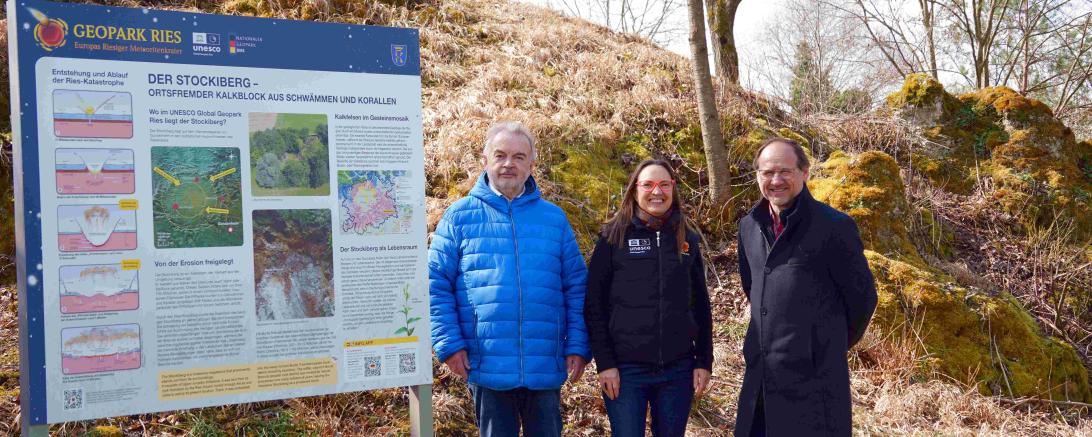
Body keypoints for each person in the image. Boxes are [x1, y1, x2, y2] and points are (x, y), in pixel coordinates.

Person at [429, 121, 590, 437]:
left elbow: (576, 286)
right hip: (485, 364)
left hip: (544, 364)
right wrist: (448, 344)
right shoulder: (459, 216)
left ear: (531, 165)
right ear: (485, 159)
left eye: (519, 157)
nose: (508, 164)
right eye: (500, 155)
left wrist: (579, 344)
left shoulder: (554, 219)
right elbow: (436, 284)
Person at [734, 138, 878, 436]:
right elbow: (754, 289)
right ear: (757, 176)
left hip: (814, 386)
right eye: (767, 172)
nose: (776, 180)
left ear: (805, 173)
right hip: (760, 381)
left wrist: (820, 345)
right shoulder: (749, 227)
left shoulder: (834, 227)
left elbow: (862, 300)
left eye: (785, 171)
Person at [583, 159, 714, 437]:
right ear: (634, 190)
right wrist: (605, 364)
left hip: (678, 369)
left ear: (673, 189)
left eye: (664, 184)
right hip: (626, 371)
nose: (657, 192)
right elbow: (594, 305)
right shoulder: (612, 238)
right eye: (648, 185)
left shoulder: (686, 239)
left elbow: (701, 305)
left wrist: (703, 360)